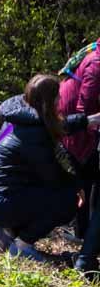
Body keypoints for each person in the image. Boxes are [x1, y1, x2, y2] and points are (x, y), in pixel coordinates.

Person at [0, 74, 100, 262]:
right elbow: (53, 177)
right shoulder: (35, 135)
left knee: (55, 195)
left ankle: (6, 233)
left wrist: (89, 120)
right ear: (49, 101)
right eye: (57, 96)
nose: (61, 99)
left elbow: (58, 125)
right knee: (66, 201)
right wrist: (77, 186)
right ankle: (22, 246)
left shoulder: (26, 118)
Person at [57, 41, 100, 240]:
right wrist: (92, 135)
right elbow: (86, 105)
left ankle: (85, 231)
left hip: (77, 120)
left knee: (85, 177)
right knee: (84, 177)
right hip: (77, 123)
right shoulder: (97, 62)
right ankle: (84, 233)